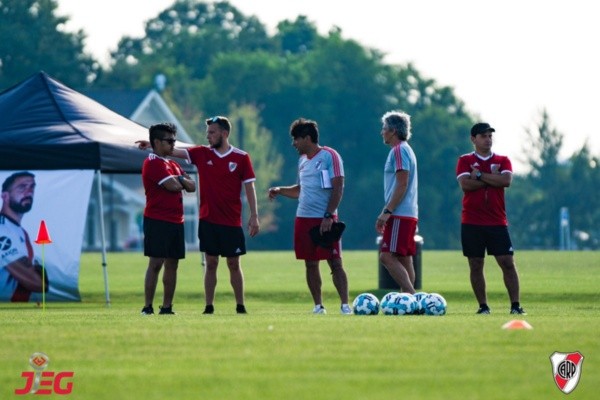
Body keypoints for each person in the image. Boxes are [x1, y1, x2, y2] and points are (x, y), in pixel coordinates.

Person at [138, 116, 259, 314]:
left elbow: (249, 187)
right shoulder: (202, 153)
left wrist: (254, 215)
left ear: (224, 134)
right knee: (209, 263)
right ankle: (208, 306)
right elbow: (173, 153)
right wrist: (152, 146)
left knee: (233, 263)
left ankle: (240, 305)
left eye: (212, 132)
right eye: (208, 132)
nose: (208, 136)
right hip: (207, 219)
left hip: (231, 219)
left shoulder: (241, 157)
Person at [268, 118, 351, 315]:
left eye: (296, 139)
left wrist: (329, 215)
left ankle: (345, 305)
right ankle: (318, 306)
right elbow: (299, 190)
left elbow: (338, 187)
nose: (293, 144)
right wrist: (280, 190)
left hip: (325, 217)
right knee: (310, 263)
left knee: (335, 262)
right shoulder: (302, 161)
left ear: (307, 138)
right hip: (303, 218)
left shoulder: (330, 156)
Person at [456, 122, 526, 315]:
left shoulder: (503, 160)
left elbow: (506, 181)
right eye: (483, 136)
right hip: (471, 221)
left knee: (507, 262)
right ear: (473, 139)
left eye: (489, 136)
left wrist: (478, 175)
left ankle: (515, 305)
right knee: (476, 264)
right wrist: (489, 179)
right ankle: (483, 306)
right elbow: (465, 185)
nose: (488, 139)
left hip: (497, 221)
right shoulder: (464, 160)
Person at [141, 123, 196, 315]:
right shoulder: (152, 162)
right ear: (156, 142)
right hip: (157, 220)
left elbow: (192, 186)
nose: (173, 145)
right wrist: (181, 179)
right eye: (169, 141)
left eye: (174, 140)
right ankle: (147, 306)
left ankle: (167, 307)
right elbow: (173, 186)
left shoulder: (173, 164)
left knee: (173, 263)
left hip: (176, 220)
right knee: (156, 263)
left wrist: (180, 180)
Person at [375, 111, 417, 295]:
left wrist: (387, 211)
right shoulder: (407, 149)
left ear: (393, 131)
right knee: (404, 258)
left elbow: (402, 183)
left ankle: (412, 297)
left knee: (386, 256)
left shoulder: (399, 150)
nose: (381, 132)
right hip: (408, 213)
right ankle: (408, 298)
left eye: (384, 129)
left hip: (399, 213)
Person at [0, 171, 48, 302]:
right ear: (5, 196)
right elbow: (37, 283)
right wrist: (39, 271)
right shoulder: (3, 230)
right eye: (22, 187)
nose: (29, 192)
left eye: (32, 187)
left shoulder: (16, 229)